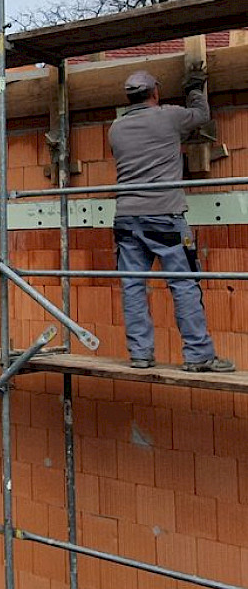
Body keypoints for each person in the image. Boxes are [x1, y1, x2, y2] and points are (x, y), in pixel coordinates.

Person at [108, 68, 235, 372]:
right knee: (184, 284)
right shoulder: (169, 116)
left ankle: (140, 354)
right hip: (165, 216)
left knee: (133, 286)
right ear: (155, 93)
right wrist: (194, 88)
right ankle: (198, 355)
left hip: (126, 219)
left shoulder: (116, 127)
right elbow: (200, 114)